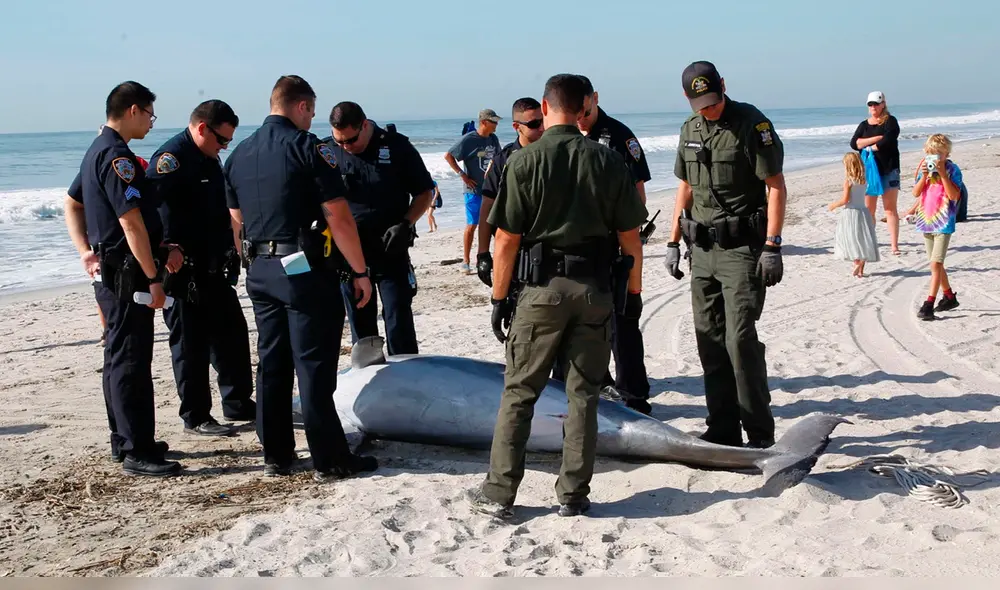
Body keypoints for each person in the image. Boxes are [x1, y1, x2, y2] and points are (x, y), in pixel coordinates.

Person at [469, 73, 647, 519]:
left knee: (520, 392)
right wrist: (635, 292)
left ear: (545, 109)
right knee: (583, 394)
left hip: (541, 291)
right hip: (594, 290)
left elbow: (506, 240)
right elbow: (631, 237)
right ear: (584, 105)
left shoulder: (525, 161)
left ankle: (500, 492)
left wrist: (498, 297)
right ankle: (573, 494)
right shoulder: (606, 160)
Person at [224, 75, 378, 481]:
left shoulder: (239, 153)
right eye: (311, 111)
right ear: (304, 106)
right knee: (313, 365)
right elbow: (338, 216)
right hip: (303, 271)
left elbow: (236, 219)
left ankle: (276, 453)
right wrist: (359, 271)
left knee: (272, 363)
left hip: (258, 269)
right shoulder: (308, 149)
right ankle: (330, 458)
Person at [664, 61, 786, 449]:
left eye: (713, 100)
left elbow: (776, 186)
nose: (709, 108)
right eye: (700, 103)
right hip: (701, 250)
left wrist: (772, 245)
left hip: (741, 252)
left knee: (740, 341)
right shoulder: (690, 129)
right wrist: (671, 242)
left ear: (724, 87)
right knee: (709, 341)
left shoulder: (753, 124)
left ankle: (759, 432)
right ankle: (722, 427)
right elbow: (684, 187)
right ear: (688, 99)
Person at [71, 81, 181, 476]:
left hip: (110, 269)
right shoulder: (115, 156)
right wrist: (153, 277)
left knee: (117, 355)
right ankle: (137, 448)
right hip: (127, 274)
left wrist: (85, 250)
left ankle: (124, 439)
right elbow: (130, 222)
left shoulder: (95, 151)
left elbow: (72, 202)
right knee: (131, 359)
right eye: (150, 114)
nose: (152, 123)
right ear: (133, 109)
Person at [145, 99, 257, 437]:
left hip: (215, 266)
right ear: (201, 129)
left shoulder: (209, 158)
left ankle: (238, 402)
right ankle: (195, 415)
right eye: (221, 140)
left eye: (229, 142)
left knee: (232, 337)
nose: (225, 147)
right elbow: (148, 212)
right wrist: (165, 248)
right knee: (190, 346)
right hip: (183, 273)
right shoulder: (170, 160)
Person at [565, 74, 653, 414]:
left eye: (586, 111)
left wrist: (628, 238)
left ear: (595, 99)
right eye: (577, 113)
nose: (581, 118)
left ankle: (634, 394)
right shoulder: (566, 134)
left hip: (616, 244)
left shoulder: (618, 136)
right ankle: (600, 385)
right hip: (582, 247)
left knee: (623, 320)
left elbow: (638, 193)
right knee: (587, 322)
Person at [322, 101, 436, 356]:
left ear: (364, 125)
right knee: (362, 327)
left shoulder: (396, 145)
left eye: (349, 141)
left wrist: (406, 223)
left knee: (398, 317)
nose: (345, 147)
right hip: (350, 254)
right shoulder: (327, 151)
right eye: (338, 141)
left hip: (390, 247)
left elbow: (424, 191)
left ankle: (406, 378)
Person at [475, 97, 546, 287]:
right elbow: (487, 207)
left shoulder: (554, 155)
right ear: (517, 126)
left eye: (543, 121)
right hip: (515, 251)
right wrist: (483, 253)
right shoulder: (503, 160)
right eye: (534, 124)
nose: (541, 128)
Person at [904, 133, 965, 320]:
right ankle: (948, 297)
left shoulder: (953, 170)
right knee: (936, 264)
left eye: (939, 155)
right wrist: (924, 176)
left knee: (935, 263)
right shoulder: (924, 168)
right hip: (926, 221)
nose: (935, 159)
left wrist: (944, 175)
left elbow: (954, 195)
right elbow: (915, 193)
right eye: (931, 154)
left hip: (944, 222)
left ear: (946, 154)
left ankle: (928, 303)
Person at [443, 109, 502, 274]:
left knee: (494, 225)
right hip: (473, 190)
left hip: (491, 190)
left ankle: (491, 257)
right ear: (484, 122)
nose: (497, 125)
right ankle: (466, 261)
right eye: (494, 122)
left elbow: (497, 159)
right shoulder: (469, 139)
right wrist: (462, 175)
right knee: (472, 225)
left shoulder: (493, 138)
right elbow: (448, 155)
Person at [850, 91, 901, 255]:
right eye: (870, 104)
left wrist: (870, 145)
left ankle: (894, 245)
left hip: (889, 169)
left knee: (890, 208)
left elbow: (889, 140)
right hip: (869, 172)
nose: (873, 107)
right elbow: (854, 143)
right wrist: (875, 139)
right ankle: (870, 241)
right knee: (869, 209)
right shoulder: (864, 125)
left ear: (883, 104)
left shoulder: (890, 121)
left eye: (876, 104)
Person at [829, 152, 880, 277]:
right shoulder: (863, 180)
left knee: (853, 239)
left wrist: (834, 205)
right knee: (862, 239)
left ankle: (857, 263)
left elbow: (846, 199)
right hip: (863, 211)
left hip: (851, 213)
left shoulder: (848, 181)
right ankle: (861, 270)